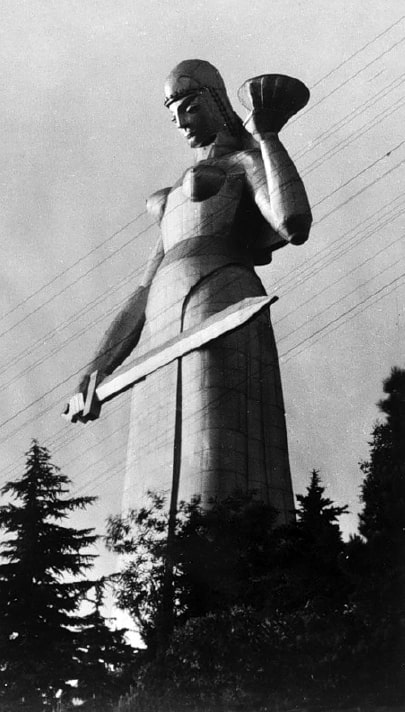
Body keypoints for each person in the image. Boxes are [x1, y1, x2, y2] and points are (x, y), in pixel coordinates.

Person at [66, 60, 312, 523]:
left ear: (217, 102)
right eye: (173, 112)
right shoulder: (175, 197)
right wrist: (95, 369)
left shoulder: (243, 162)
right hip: (161, 319)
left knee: (216, 446)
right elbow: (142, 291)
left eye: (190, 106)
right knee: (152, 488)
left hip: (219, 297)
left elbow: (292, 220)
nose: (181, 121)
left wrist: (267, 138)